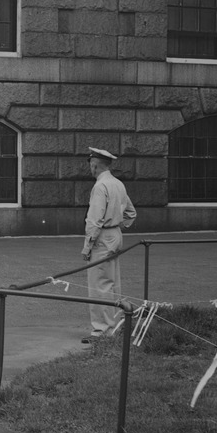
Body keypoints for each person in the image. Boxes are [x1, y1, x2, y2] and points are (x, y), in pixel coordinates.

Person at [81, 147, 136, 343]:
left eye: (91, 165)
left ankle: (101, 331)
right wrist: (117, 225)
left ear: (94, 165)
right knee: (113, 282)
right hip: (115, 234)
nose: (90, 168)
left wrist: (87, 247)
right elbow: (131, 213)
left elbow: (94, 220)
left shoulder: (100, 186)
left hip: (103, 236)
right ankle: (115, 325)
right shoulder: (118, 184)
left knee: (98, 284)